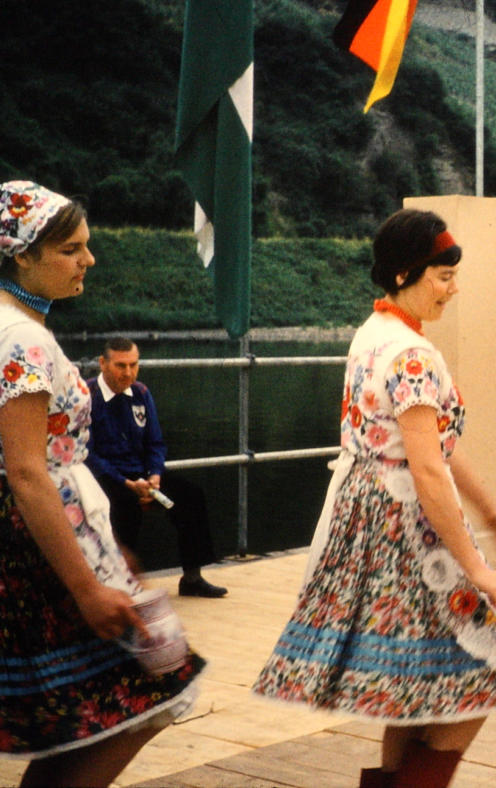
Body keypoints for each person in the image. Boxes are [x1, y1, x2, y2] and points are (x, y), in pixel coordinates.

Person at [253, 209, 496, 788]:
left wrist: (490, 509)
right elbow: (428, 469)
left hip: (366, 516)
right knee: (491, 670)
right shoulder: (412, 355)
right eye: (443, 276)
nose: (453, 289)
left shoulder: (372, 334)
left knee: (411, 688)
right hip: (407, 526)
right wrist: (479, 570)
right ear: (402, 275)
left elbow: (436, 447)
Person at [0, 180, 205, 786]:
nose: (88, 259)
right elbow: (27, 471)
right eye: (71, 249)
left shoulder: (15, 326)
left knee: (80, 717)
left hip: (49, 534)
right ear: (22, 256)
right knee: (148, 688)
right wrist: (88, 587)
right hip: (40, 542)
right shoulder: (22, 339)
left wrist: (106, 546)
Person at [85, 337, 228, 597]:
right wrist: (126, 483)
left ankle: (192, 578)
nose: (128, 373)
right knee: (125, 506)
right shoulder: (87, 395)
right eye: (120, 366)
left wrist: (155, 475)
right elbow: (88, 453)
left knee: (190, 496)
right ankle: (122, 585)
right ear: (103, 363)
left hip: (142, 474)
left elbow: (155, 443)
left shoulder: (141, 393)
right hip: (105, 477)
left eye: (133, 365)